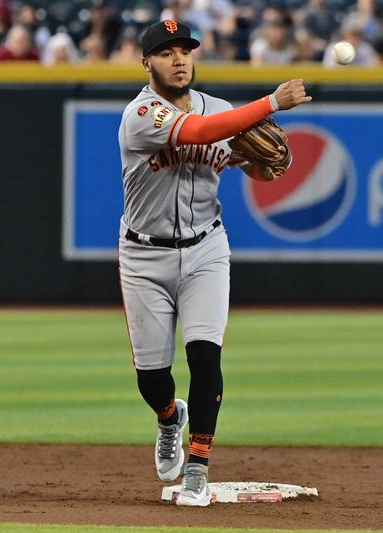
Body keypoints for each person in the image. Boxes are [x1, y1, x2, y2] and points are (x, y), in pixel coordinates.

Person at [117, 19, 310, 507]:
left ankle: (199, 467)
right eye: (166, 52)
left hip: (207, 247)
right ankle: (168, 417)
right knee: (151, 378)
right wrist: (270, 104)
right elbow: (199, 132)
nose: (179, 59)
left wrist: (263, 166)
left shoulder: (222, 109)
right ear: (147, 63)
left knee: (205, 356)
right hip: (144, 255)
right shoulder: (141, 114)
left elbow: (256, 168)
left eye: (185, 50)